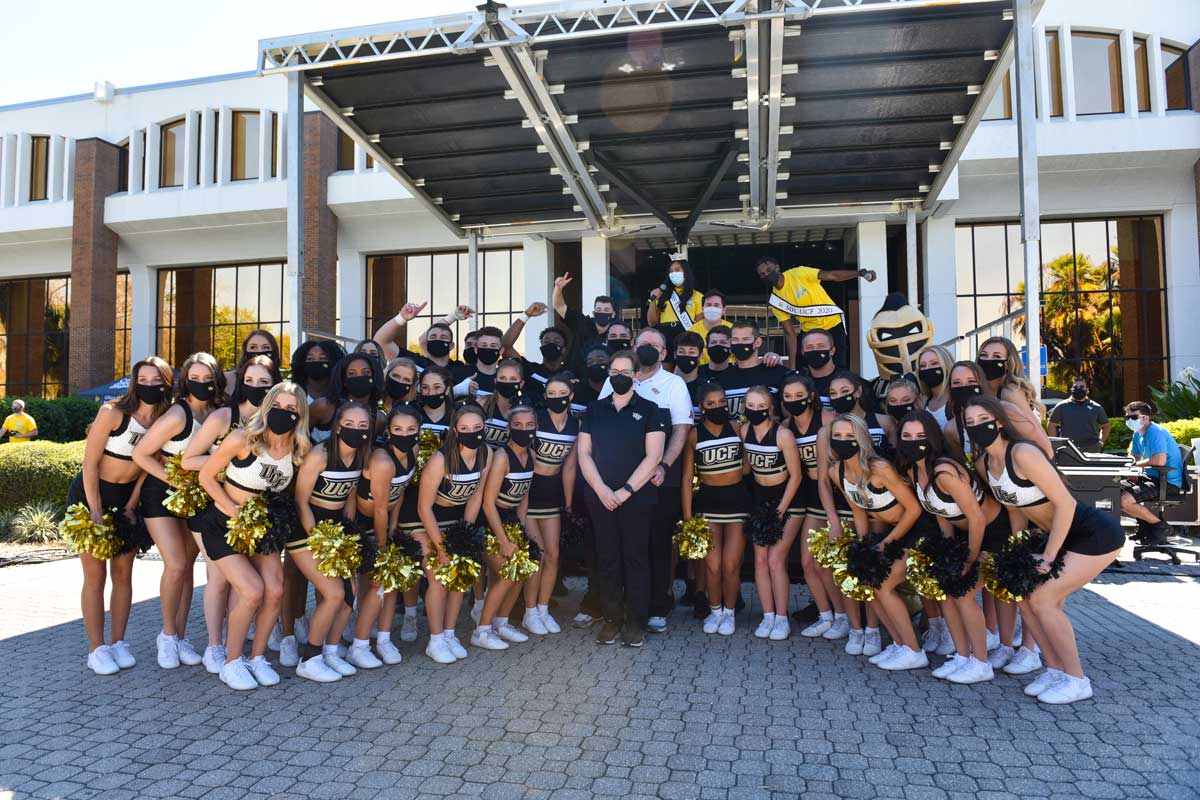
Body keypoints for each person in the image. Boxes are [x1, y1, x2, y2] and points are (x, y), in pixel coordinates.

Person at [965, 396, 1125, 703]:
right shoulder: (983, 464)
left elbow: (1065, 503)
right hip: (1051, 536)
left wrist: (1049, 557)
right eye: (970, 423)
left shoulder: (1022, 453)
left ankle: (1077, 680)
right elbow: (1014, 508)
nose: (977, 427)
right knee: (1025, 597)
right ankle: (1054, 670)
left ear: (999, 421)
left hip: (1091, 534)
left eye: (983, 419)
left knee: (1044, 598)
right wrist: (1018, 554)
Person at [896, 410, 1030, 684]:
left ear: (932, 438)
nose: (913, 442)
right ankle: (962, 656)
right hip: (964, 534)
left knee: (964, 594)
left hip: (993, 533)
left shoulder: (944, 472)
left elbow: (977, 518)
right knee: (947, 589)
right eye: (907, 436)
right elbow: (941, 513)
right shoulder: (914, 470)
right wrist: (946, 553)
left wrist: (968, 559)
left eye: (920, 436)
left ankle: (981, 663)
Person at [192, 382, 308, 690]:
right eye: (278, 406)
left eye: (291, 409)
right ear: (267, 407)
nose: (284, 413)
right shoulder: (242, 439)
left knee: (276, 591)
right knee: (252, 591)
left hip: (264, 530)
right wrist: (231, 508)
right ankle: (232, 661)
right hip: (223, 526)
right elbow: (206, 475)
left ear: (300, 415)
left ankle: (257, 657)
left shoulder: (297, 450)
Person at [71, 357, 173, 676]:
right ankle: (96, 648)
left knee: (123, 574)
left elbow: (148, 465)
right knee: (95, 575)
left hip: (126, 499)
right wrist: (96, 511)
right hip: (91, 497)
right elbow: (89, 464)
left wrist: (131, 504)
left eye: (157, 380)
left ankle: (118, 643)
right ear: (134, 382)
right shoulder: (112, 412)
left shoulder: (164, 420)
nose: (149, 386)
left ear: (166, 384)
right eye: (143, 379)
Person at [181, 355, 279, 673]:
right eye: (249, 381)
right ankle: (215, 645)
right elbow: (188, 459)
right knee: (220, 578)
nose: (256, 387)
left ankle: (238, 646)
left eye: (264, 383)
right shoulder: (226, 417)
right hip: (215, 506)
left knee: (247, 583)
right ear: (240, 382)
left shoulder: (276, 423)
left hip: (255, 517)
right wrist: (229, 467)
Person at [597, 329, 693, 633]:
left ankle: (657, 605)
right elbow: (600, 420)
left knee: (656, 543)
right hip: (618, 479)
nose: (648, 349)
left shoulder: (673, 384)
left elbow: (681, 429)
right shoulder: (616, 378)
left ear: (664, 353)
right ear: (633, 348)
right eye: (643, 345)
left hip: (658, 478)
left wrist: (664, 464)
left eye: (655, 345)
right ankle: (620, 606)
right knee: (619, 546)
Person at [132, 352, 224, 670]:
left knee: (188, 567)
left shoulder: (218, 413)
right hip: (161, 495)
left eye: (207, 378)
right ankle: (167, 636)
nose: (201, 383)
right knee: (174, 565)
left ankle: (182, 636)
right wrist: (174, 479)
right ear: (184, 381)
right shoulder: (177, 415)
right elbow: (141, 453)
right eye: (194, 378)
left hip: (198, 496)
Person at [577, 350, 668, 648]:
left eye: (626, 372)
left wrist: (626, 491)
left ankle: (635, 622)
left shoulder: (651, 409)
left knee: (636, 559)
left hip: (637, 498)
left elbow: (653, 456)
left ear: (636, 375)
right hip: (600, 497)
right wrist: (602, 490)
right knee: (607, 559)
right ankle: (612, 619)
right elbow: (584, 454)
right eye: (614, 371)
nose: (619, 377)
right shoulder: (593, 410)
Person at [827, 413, 928, 670]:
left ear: (861, 439)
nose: (842, 441)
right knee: (869, 580)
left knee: (884, 584)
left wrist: (885, 544)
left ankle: (915, 651)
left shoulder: (879, 468)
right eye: (836, 436)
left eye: (849, 436)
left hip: (917, 529)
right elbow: (858, 508)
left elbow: (914, 509)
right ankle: (899, 644)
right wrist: (863, 546)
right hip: (890, 533)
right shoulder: (835, 471)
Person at [291, 401, 372, 681]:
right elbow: (300, 501)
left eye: (363, 426)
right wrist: (318, 540)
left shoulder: (361, 456)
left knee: (349, 595)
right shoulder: (321, 454)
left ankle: (330, 651)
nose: (356, 430)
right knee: (334, 594)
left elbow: (349, 496)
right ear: (337, 426)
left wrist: (347, 532)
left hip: (337, 530)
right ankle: (309, 658)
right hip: (306, 530)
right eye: (350, 424)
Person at [418, 404, 490, 664]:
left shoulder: (485, 453)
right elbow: (423, 507)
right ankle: (435, 640)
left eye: (477, 428)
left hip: (457, 520)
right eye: (465, 429)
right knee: (438, 579)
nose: (472, 433)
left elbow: (476, 496)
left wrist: (465, 535)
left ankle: (449, 634)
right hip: (428, 521)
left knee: (460, 576)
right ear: (455, 432)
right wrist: (441, 548)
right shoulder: (441, 459)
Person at [780, 373, 849, 642]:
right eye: (788, 397)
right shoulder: (786, 426)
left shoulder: (829, 420)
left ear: (811, 396)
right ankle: (827, 616)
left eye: (799, 396)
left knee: (834, 563)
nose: (794, 401)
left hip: (836, 495)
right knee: (808, 562)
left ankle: (846, 618)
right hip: (809, 497)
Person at [351, 404, 420, 667]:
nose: (405, 434)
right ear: (388, 431)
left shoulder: (412, 451)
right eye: (398, 429)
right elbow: (379, 508)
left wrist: (393, 530)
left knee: (389, 584)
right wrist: (383, 547)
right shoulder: (382, 461)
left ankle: (383, 638)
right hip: (365, 522)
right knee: (378, 583)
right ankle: (359, 645)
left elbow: (399, 494)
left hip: (385, 523)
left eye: (411, 429)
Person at [681, 383, 749, 636]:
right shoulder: (694, 435)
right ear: (702, 407)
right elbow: (688, 478)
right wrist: (688, 517)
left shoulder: (738, 428)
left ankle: (729, 614)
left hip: (737, 502)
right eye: (711, 404)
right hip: (707, 504)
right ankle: (715, 610)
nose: (718, 406)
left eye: (722, 401)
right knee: (712, 566)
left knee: (731, 565)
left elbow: (748, 466)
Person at [472, 404, 538, 650]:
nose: (524, 430)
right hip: (488, 523)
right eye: (518, 425)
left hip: (510, 521)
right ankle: (482, 631)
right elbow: (488, 503)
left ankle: (501, 623)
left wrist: (520, 531)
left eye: (529, 425)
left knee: (520, 571)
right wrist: (502, 539)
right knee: (510, 573)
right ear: (509, 428)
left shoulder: (531, 455)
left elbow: (524, 496)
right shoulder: (501, 457)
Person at [741, 386, 803, 640]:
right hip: (760, 501)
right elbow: (747, 469)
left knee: (776, 560)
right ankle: (767, 616)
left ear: (771, 408)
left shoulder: (783, 435)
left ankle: (781, 618)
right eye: (751, 406)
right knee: (759, 561)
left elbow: (796, 476)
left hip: (788, 502)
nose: (756, 411)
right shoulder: (744, 431)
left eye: (761, 406)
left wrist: (780, 510)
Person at [523, 374, 579, 633]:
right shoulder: (536, 420)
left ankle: (543, 610)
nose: (557, 398)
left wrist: (567, 503)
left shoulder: (575, 425)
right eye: (552, 394)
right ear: (545, 397)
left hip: (552, 494)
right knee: (539, 553)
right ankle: (529, 612)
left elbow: (569, 466)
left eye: (562, 394)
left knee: (554, 554)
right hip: (530, 492)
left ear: (571, 397)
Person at [756, 255, 877, 370]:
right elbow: (789, 333)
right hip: (809, 331)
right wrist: (792, 368)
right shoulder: (776, 301)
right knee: (803, 369)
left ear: (777, 267)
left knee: (839, 367)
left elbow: (832, 275)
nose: (767, 274)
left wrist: (860, 273)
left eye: (769, 270)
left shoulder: (799, 273)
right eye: (762, 274)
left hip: (833, 325)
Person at [943, 361, 1052, 461]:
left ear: (982, 383)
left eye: (971, 381)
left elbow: (1045, 449)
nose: (964, 387)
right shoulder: (952, 429)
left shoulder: (1006, 411)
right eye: (957, 383)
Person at [1120, 400, 1184, 544]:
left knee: (1124, 500)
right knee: (1113, 492)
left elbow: (1159, 460)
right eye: (1127, 417)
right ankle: (1146, 527)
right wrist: (1132, 466)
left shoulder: (1155, 432)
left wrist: (1136, 465)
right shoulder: (1138, 433)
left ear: (1146, 418)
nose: (1130, 420)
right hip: (1150, 477)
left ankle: (1160, 527)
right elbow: (1134, 455)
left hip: (1166, 482)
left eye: (1134, 417)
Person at [552, 272, 620, 375]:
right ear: (594, 312)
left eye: (606, 310)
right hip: (575, 377)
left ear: (613, 314)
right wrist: (558, 288)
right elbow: (559, 306)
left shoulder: (616, 333)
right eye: (599, 309)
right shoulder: (581, 322)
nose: (602, 312)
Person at [716, 321, 788, 417]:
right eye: (735, 339)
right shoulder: (721, 379)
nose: (740, 343)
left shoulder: (779, 373)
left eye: (746, 339)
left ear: (758, 342)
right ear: (730, 343)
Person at [501, 302, 569, 403]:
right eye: (546, 342)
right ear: (541, 347)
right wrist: (527, 315)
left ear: (564, 349)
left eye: (556, 342)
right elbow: (505, 346)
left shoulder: (571, 373)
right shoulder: (529, 369)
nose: (551, 344)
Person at [290, 340, 346, 442]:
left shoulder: (342, 395)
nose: (316, 362)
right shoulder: (292, 394)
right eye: (310, 359)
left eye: (323, 358)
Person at [976, 336, 1044, 420]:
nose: (988, 360)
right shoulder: (978, 391)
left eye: (997, 356)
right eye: (984, 355)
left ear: (1009, 364)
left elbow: (1035, 430)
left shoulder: (1011, 392)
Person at [828, 370, 892, 452]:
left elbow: (895, 458)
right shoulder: (828, 427)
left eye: (845, 391)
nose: (839, 396)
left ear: (858, 391)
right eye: (833, 393)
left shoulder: (885, 421)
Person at [646, 258, 702, 348]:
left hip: (687, 336)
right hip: (665, 334)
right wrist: (653, 301)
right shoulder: (662, 294)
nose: (673, 273)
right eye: (671, 271)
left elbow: (699, 323)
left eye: (677, 270)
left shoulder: (697, 296)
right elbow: (651, 323)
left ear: (686, 272)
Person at [1047, 377, 1110, 452]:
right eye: (1075, 387)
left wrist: (1101, 441)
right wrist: (1057, 444)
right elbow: (1051, 425)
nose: (1078, 388)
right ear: (1071, 389)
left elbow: (1106, 426)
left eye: (1082, 387)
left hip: (1092, 448)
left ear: (1087, 390)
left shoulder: (1096, 407)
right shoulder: (1061, 406)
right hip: (1068, 448)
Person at [479, 358, 525, 449]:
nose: (507, 382)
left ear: (521, 384)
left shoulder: (524, 411)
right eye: (502, 378)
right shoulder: (482, 403)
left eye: (513, 379)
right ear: (495, 381)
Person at [222, 329, 280, 394]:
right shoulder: (228, 380)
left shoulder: (279, 382)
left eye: (266, 347)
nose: (259, 352)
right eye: (253, 347)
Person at [686, 289, 730, 367]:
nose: (712, 308)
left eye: (716, 305)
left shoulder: (732, 329)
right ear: (702, 309)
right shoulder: (692, 331)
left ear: (724, 310)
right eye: (708, 305)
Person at [915, 345, 954, 429]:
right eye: (922, 365)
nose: (927, 368)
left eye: (934, 363)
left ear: (947, 365)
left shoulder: (957, 400)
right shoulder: (921, 402)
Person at [799, 328, 838, 405]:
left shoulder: (847, 381)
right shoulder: (797, 381)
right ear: (803, 352)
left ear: (832, 351)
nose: (815, 350)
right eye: (809, 347)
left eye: (821, 346)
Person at [672, 331, 705, 407]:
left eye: (692, 352)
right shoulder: (666, 386)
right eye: (681, 351)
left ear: (700, 356)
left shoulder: (705, 389)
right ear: (675, 355)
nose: (686, 355)